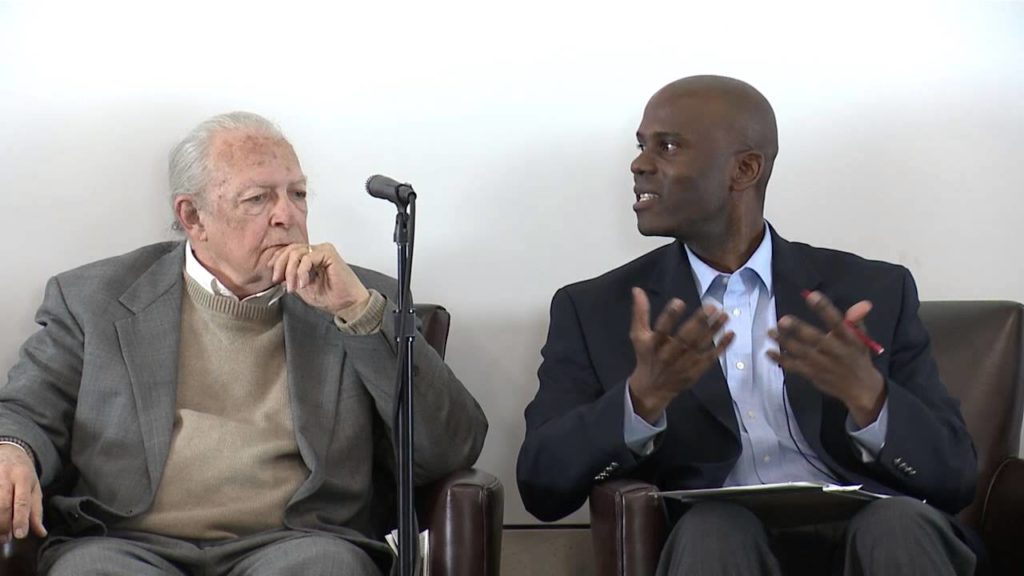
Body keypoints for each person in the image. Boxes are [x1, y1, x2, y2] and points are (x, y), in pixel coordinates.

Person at [517, 75, 978, 575]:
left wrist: (870, 398)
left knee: (895, 525)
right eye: (641, 145)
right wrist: (638, 403)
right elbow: (542, 486)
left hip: (873, 527)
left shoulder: (873, 291)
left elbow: (954, 478)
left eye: (667, 146)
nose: (639, 164)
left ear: (744, 169)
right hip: (713, 539)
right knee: (715, 527)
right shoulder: (596, 309)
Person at [0, 111, 487, 575]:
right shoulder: (94, 298)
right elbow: (27, 409)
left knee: (326, 568)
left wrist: (358, 314)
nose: (287, 215)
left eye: (298, 194)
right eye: (258, 199)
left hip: (297, 542)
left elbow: (451, 447)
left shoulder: (358, 296)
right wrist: (13, 448)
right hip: (126, 541)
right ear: (193, 217)